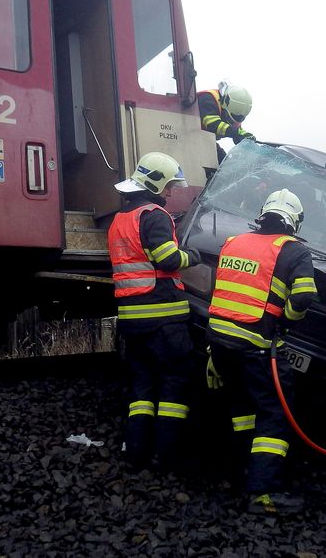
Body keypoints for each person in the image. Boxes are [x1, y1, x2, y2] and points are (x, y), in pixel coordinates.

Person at [207, 189, 316, 514]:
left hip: (220, 341)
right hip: (257, 346)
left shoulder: (233, 242)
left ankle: (243, 468)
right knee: (275, 413)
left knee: (242, 405)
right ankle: (263, 492)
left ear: (263, 213)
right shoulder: (295, 251)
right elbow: (303, 298)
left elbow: (223, 291)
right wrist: (287, 322)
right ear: (295, 221)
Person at [107, 152, 201, 470]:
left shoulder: (120, 220)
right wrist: (194, 256)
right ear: (158, 184)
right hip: (163, 317)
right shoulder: (154, 214)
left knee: (142, 388)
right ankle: (165, 456)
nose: (171, 192)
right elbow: (169, 260)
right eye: (170, 185)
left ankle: (135, 456)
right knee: (175, 382)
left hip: (132, 320)